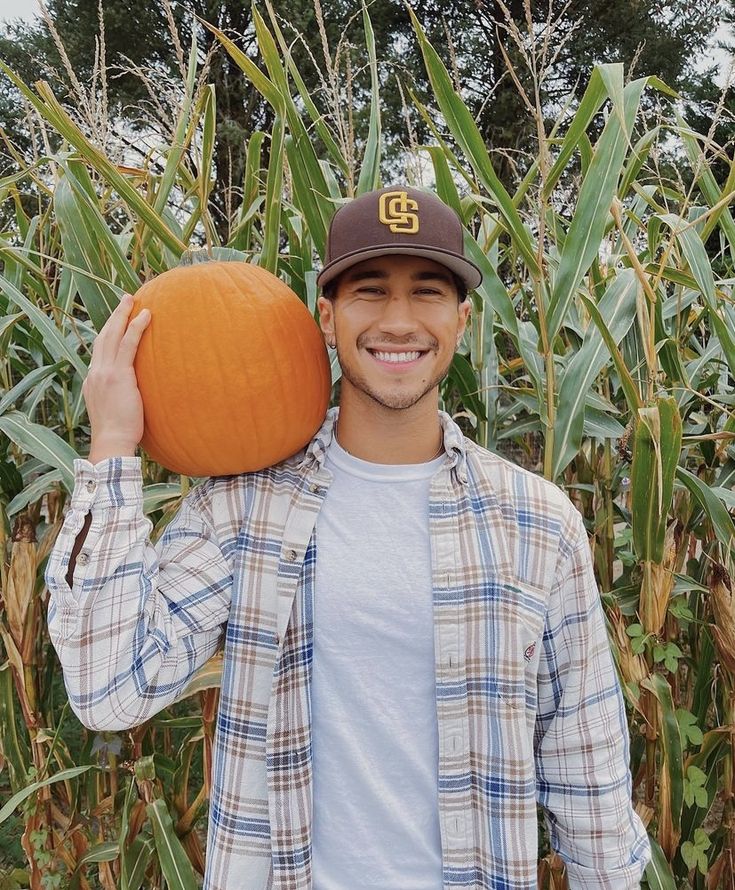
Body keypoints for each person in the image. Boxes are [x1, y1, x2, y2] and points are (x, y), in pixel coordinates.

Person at [46, 185, 651, 890]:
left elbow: (584, 756)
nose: (398, 321)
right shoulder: (243, 510)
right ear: (326, 318)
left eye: (426, 293)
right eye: (370, 292)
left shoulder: (536, 521)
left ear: (460, 319)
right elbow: (107, 690)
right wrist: (113, 444)